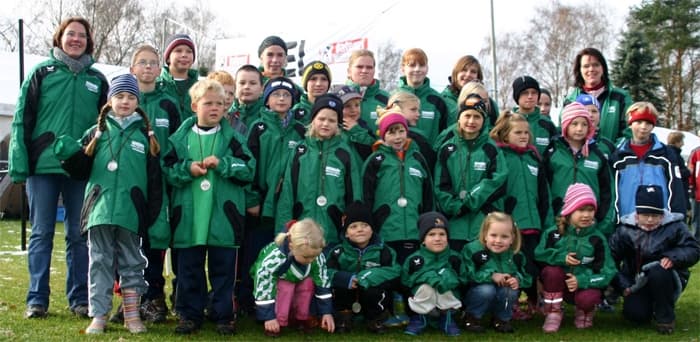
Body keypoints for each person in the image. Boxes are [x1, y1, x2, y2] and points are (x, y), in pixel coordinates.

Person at [9, 16, 108, 319]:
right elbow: (21, 120)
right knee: (41, 233)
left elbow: (105, 127)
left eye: (81, 35)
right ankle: (36, 299)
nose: (76, 39)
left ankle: (79, 299)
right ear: (60, 38)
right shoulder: (41, 73)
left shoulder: (98, 80)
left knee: (79, 236)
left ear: (88, 41)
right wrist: (20, 164)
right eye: (70, 34)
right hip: (44, 166)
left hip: (80, 169)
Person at [53, 74, 161, 334]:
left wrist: (152, 214)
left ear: (138, 101)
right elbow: (79, 169)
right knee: (99, 261)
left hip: (131, 213)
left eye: (131, 97)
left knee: (132, 263)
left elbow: (155, 181)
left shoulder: (146, 137)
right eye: (120, 96)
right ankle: (99, 315)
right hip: (99, 211)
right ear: (109, 100)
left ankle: (132, 316)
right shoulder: (95, 133)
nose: (125, 101)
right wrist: (67, 153)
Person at [162, 79, 256, 335]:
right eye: (208, 103)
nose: (215, 108)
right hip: (189, 218)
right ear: (195, 105)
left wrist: (224, 164)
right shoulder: (179, 139)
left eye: (220, 104)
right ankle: (189, 315)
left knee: (223, 271)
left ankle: (224, 315)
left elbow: (248, 170)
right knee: (189, 269)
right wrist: (187, 169)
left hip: (224, 219)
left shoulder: (234, 139)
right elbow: (167, 170)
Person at [240, 76, 306, 315]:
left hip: (287, 206)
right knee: (256, 254)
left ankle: (281, 305)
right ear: (266, 100)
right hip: (262, 206)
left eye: (286, 95)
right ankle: (248, 301)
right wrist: (252, 199)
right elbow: (249, 166)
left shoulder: (300, 129)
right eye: (276, 95)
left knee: (283, 253)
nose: (281, 99)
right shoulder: (258, 128)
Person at [362, 110, 434, 327]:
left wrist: (428, 223)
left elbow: (428, 192)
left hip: (413, 227)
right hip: (387, 228)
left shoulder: (418, 158)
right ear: (383, 136)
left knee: (412, 269)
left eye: (401, 131)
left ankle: (416, 313)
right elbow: (366, 194)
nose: (397, 137)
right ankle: (391, 310)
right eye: (391, 132)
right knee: (391, 270)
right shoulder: (376, 160)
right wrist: (371, 224)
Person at [130, 44, 181, 324]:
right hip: (129, 184)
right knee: (129, 244)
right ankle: (130, 299)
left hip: (160, 186)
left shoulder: (168, 104)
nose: (147, 67)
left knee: (156, 242)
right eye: (142, 63)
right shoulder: (124, 100)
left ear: (159, 70)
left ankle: (154, 298)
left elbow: (177, 144)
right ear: (132, 68)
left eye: (152, 63)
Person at [609, 185, 700, 334]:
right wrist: (622, 284)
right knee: (635, 315)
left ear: (662, 214)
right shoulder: (624, 230)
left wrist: (672, 257)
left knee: (659, 271)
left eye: (655, 215)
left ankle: (665, 318)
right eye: (645, 215)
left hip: (666, 277)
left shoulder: (676, 226)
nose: (650, 219)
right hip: (636, 281)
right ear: (637, 214)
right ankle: (647, 306)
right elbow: (610, 259)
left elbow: (693, 249)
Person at [275, 93, 362, 247]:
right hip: (301, 235)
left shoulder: (345, 153)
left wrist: (352, 233)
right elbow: (287, 194)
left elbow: (354, 196)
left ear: (338, 124)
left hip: (333, 234)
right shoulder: (299, 151)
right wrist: (283, 231)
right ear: (313, 120)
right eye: (321, 119)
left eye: (332, 120)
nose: (325, 124)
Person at [489, 111, 552, 319]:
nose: (524, 136)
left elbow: (544, 193)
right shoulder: (500, 156)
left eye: (526, 132)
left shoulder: (534, 157)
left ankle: (535, 301)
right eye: (518, 132)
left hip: (532, 222)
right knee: (514, 264)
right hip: (510, 225)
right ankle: (512, 304)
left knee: (533, 266)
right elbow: (496, 191)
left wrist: (547, 220)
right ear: (505, 134)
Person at [535, 183, 616, 333]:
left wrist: (582, 280)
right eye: (581, 210)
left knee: (588, 298)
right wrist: (561, 257)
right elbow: (539, 254)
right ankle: (553, 312)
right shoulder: (553, 233)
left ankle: (585, 312)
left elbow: (608, 271)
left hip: (583, 285)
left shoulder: (597, 238)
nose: (586, 215)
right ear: (569, 210)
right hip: (558, 285)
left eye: (590, 210)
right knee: (551, 272)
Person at [434, 93, 508, 250]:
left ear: (484, 120)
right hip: (455, 225)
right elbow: (440, 185)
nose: (471, 121)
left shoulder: (491, 148)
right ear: (459, 118)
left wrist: (470, 202)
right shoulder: (447, 149)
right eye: (467, 115)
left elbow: (498, 179)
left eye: (477, 117)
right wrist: (454, 207)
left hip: (483, 225)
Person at [250, 218, 336, 337]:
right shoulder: (276, 256)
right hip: (276, 281)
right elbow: (264, 282)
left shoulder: (315, 255)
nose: (311, 260)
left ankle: (301, 318)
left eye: (314, 257)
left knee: (308, 283)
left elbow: (323, 282)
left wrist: (326, 312)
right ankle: (277, 321)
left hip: (298, 277)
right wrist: (268, 317)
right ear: (291, 246)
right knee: (286, 287)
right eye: (306, 257)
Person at [326, 201, 400, 334]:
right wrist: (346, 279)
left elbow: (394, 271)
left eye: (365, 225)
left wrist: (367, 277)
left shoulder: (384, 250)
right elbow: (327, 272)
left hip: (370, 291)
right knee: (340, 288)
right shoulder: (337, 252)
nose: (360, 229)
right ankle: (344, 318)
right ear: (346, 233)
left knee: (376, 291)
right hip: (349, 292)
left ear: (372, 229)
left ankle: (375, 319)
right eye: (353, 226)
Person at [542, 102, 614, 235]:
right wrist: (549, 223)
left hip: (590, 223)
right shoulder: (553, 153)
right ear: (565, 125)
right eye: (574, 124)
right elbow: (543, 190)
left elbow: (608, 192)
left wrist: (602, 224)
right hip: (559, 221)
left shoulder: (597, 155)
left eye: (584, 124)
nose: (579, 129)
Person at [610, 102, 688, 219]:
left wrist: (675, 219)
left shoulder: (665, 154)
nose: (643, 127)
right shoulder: (619, 157)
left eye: (648, 123)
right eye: (639, 122)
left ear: (653, 126)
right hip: (626, 222)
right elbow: (612, 193)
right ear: (630, 124)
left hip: (659, 223)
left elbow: (676, 189)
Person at [461, 212, 532, 333]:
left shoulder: (516, 255)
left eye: (504, 237)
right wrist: (491, 276)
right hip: (477, 293)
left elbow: (527, 277)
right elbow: (466, 274)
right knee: (487, 290)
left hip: (501, 294)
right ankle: (472, 317)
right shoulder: (472, 250)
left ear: (512, 238)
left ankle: (501, 319)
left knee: (510, 290)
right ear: (485, 235)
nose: (498, 241)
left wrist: (517, 279)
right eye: (493, 235)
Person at [402, 211, 464, 336]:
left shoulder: (455, 258)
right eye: (431, 234)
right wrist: (429, 277)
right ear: (423, 240)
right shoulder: (415, 259)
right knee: (426, 287)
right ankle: (420, 318)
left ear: (447, 238)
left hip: (447, 299)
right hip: (422, 297)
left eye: (442, 234)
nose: (437, 238)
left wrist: (446, 277)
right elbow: (405, 280)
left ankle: (446, 319)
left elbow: (464, 279)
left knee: (445, 287)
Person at [563, 47, 633, 144]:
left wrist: (611, 153)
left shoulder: (621, 97)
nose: (591, 69)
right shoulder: (571, 99)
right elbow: (563, 133)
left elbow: (630, 132)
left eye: (596, 65)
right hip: (577, 158)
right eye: (586, 66)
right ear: (579, 70)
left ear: (603, 68)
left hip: (612, 157)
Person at [396, 48, 450, 142]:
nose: (417, 69)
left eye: (421, 65)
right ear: (403, 68)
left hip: (429, 156)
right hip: (399, 156)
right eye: (412, 65)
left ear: (427, 68)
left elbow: (445, 135)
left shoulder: (438, 101)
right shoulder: (393, 98)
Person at [440, 55, 500, 126]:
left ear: (478, 76)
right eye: (464, 70)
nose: (468, 74)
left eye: (473, 72)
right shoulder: (442, 101)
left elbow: (497, 130)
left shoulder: (489, 104)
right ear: (456, 73)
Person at [384, 91, 435, 167]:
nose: (418, 114)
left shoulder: (383, 134)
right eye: (413, 110)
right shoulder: (416, 138)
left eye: (418, 110)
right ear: (396, 108)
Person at [345, 49, 390, 131]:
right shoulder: (337, 97)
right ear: (349, 71)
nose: (364, 71)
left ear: (374, 71)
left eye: (369, 67)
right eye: (359, 67)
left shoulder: (387, 99)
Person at [512, 76, 557, 155]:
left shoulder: (547, 124)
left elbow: (556, 154)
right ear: (517, 96)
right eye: (525, 93)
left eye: (534, 92)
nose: (530, 96)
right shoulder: (508, 122)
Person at [157, 33, 197, 121]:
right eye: (178, 51)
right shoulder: (157, 86)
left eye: (189, 51)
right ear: (168, 58)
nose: (184, 55)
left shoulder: (201, 88)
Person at [574, 94, 616, 159]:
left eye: (594, 111)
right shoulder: (565, 143)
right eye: (586, 110)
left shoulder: (607, 146)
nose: (590, 115)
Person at [208, 70, 247, 136]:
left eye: (231, 93)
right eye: (223, 92)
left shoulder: (239, 126)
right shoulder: (198, 122)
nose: (227, 97)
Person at [667, 131, 691, 199]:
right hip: (677, 190)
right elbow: (674, 172)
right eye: (682, 141)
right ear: (676, 142)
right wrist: (688, 171)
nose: (683, 143)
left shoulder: (671, 153)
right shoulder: (673, 154)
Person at [689, 145, 700, 239]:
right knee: (696, 219)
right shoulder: (696, 152)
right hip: (697, 193)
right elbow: (691, 171)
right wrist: (691, 187)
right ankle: (695, 243)